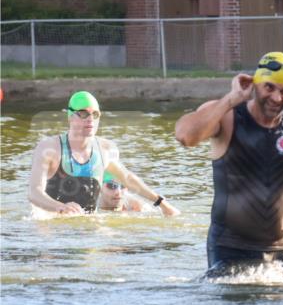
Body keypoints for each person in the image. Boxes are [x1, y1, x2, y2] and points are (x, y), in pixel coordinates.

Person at [174, 52, 283, 275]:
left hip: (282, 248)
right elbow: (185, 136)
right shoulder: (229, 117)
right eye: (269, 88)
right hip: (231, 246)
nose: (276, 98)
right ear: (255, 84)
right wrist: (230, 98)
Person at [27, 91, 180, 217]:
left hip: (89, 228)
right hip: (53, 232)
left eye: (95, 114)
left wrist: (162, 204)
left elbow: (128, 178)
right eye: (83, 113)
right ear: (70, 117)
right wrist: (60, 207)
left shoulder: (104, 149)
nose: (90, 119)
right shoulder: (50, 148)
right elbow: (34, 193)